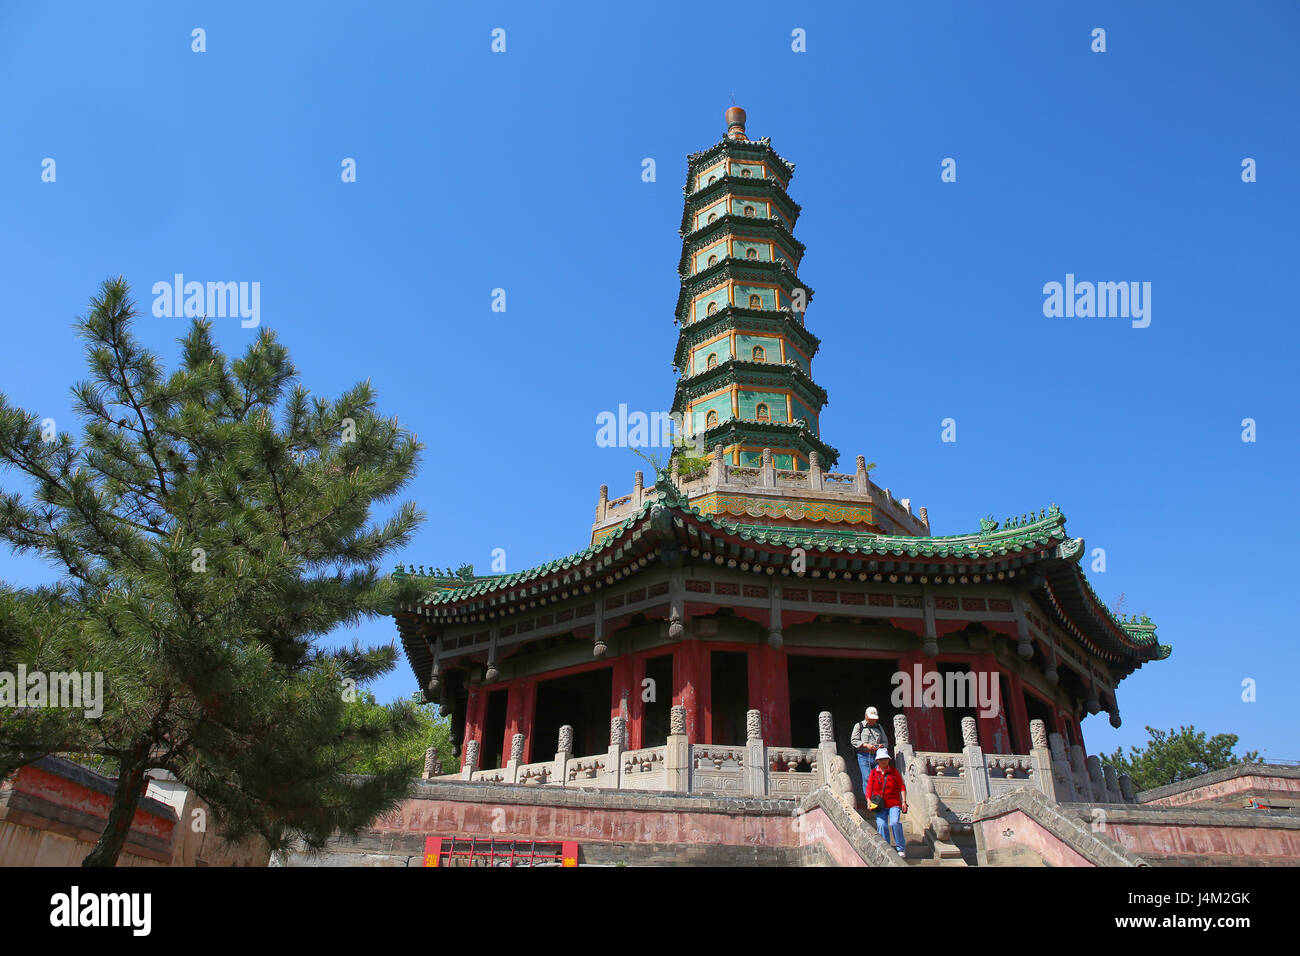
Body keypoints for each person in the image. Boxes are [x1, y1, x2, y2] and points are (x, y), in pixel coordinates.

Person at [865, 748, 908, 858]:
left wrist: (904, 801)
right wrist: (868, 800)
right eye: (881, 759)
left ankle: (900, 847)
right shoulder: (874, 773)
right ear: (877, 761)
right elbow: (869, 787)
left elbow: (901, 786)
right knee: (881, 825)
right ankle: (886, 847)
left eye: (885, 759)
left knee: (894, 823)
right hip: (880, 805)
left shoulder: (894, 772)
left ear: (888, 760)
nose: (884, 761)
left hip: (894, 803)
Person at [850, 706, 889, 791]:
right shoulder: (859, 726)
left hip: (877, 756)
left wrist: (880, 746)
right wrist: (866, 745)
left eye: (874, 719)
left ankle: (876, 798)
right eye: (871, 718)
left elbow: (885, 742)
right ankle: (869, 800)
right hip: (863, 755)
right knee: (867, 777)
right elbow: (854, 740)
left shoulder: (879, 727)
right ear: (866, 716)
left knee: (878, 777)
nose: (873, 720)